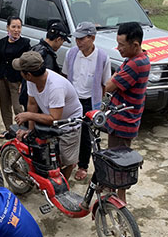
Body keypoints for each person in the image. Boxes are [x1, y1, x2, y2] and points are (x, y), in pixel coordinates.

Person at [13, 51, 83, 180]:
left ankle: (63, 186)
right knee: (44, 151)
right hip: (51, 116)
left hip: (69, 123)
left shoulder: (56, 87)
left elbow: (54, 118)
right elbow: (32, 103)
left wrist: (29, 115)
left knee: (67, 160)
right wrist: (30, 130)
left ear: (28, 74)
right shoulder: (31, 81)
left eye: (21, 70)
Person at [104, 21, 151, 202]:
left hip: (123, 122)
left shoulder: (135, 64)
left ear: (135, 44)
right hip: (122, 119)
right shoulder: (137, 58)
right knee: (114, 159)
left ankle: (120, 200)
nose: (118, 49)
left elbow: (108, 86)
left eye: (122, 45)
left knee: (120, 163)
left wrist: (110, 79)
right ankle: (110, 189)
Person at [62, 22, 113, 181]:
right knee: (67, 131)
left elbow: (105, 84)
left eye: (82, 39)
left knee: (86, 135)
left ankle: (82, 165)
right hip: (72, 100)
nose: (78, 42)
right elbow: (65, 76)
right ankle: (66, 161)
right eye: (76, 39)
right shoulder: (71, 54)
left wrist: (99, 105)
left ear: (92, 38)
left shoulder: (103, 57)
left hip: (89, 102)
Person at [0, 16, 31, 138]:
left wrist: (23, 83)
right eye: (13, 27)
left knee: (17, 107)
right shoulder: (3, 42)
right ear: (8, 27)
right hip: (3, 77)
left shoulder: (25, 44)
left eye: (19, 27)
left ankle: (24, 130)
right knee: (4, 105)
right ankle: (9, 129)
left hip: (16, 80)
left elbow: (26, 65)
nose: (16, 30)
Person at [19, 19, 69, 108]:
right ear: (58, 39)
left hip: (27, 97)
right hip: (37, 103)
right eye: (62, 41)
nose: (61, 45)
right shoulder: (47, 56)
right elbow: (45, 84)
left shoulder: (34, 48)